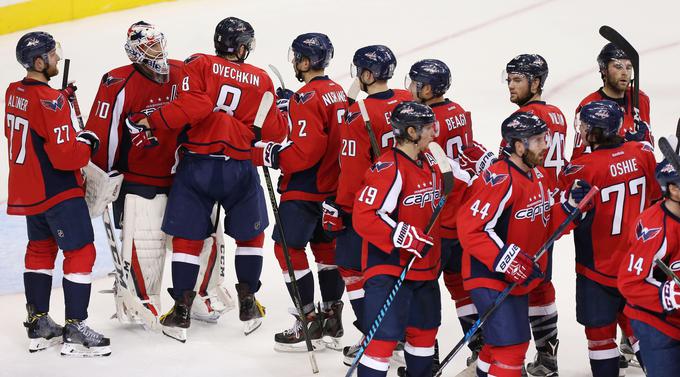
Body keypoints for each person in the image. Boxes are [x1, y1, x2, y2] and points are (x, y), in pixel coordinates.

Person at [125, 17, 287, 341]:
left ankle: (182, 310)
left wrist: (151, 120)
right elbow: (276, 134)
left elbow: (192, 107)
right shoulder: (261, 79)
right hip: (240, 167)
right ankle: (248, 302)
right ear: (241, 47)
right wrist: (282, 109)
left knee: (187, 238)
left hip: (198, 164)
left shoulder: (198, 64)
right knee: (249, 236)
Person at [458, 112, 590, 377]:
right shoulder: (499, 178)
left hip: (514, 277)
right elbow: (470, 228)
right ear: (519, 146)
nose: (546, 145)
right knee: (512, 347)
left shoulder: (537, 176)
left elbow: (544, 224)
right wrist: (507, 259)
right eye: (539, 140)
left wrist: (571, 207)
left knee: (499, 346)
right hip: (488, 275)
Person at [6, 31, 110, 356]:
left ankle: (38, 323)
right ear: (39, 62)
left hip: (28, 190)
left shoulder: (13, 91)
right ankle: (75, 328)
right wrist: (87, 142)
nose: (56, 58)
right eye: (52, 55)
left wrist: (59, 99)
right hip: (58, 190)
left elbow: (35, 116)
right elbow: (67, 156)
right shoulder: (50, 101)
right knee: (81, 252)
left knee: (40, 249)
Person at [252, 32, 348, 351]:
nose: (295, 62)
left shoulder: (305, 97)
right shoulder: (338, 92)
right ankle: (332, 318)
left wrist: (270, 153)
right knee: (325, 250)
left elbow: (305, 150)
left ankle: (307, 320)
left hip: (305, 188)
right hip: (333, 188)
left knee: (287, 249)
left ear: (306, 61)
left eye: (297, 57)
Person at [558, 100, 661, 377]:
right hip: (638, 264)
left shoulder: (582, 168)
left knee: (600, 337)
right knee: (642, 332)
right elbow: (656, 196)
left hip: (597, 268)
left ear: (594, 132)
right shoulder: (643, 153)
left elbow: (560, 211)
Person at [324, 44, 412, 360]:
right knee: (397, 272)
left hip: (370, 205)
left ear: (367, 73)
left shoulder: (357, 114)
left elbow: (352, 168)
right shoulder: (407, 100)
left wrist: (341, 206)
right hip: (407, 200)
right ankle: (403, 338)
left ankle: (376, 337)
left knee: (353, 269)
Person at [404, 57, 491, 371]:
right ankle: (481, 345)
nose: (410, 88)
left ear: (427, 88)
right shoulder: (458, 112)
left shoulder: (424, 121)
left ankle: (423, 353)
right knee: (459, 285)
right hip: (463, 212)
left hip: (437, 213)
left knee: (421, 287)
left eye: (415, 83)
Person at [353, 101, 443, 377]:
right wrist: (398, 234)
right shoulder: (389, 168)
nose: (434, 133)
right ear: (412, 132)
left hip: (424, 269)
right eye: (428, 128)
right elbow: (364, 215)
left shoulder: (429, 162)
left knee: (424, 335)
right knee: (382, 341)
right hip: (390, 268)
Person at [501, 54, 569, 376]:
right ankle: (547, 356)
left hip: (525, 211)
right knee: (541, 282)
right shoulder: (556, 115)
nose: (511, 85)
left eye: (518, 80)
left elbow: (508, 169)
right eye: (510, 79)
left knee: (516, 280)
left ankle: (504, 352)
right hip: (549, 211)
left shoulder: (524, 122)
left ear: (537, 83)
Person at [618, 142, 680, 377]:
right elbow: (629, 283)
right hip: (658, 324)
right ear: (673, 190)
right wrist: (669, 294)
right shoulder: (655, 229)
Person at [572, 42, 652, 160]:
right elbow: (581, 160)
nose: (625, 72)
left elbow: (649, 147)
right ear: (604, 70)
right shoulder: (589, 105)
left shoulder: (640, 99)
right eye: (618, 66)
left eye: (629, 67)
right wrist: (625, 146)